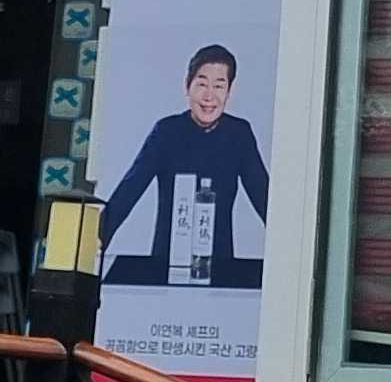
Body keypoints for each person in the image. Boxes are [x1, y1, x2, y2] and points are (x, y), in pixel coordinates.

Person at [98, 44, 272, 289]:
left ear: (229, 92)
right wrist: (98, 238)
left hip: (220, 265)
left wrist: (291, 247)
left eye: (219, 86)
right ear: (187, 87)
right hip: (165, 263)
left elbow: (263, 195)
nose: (209, 96)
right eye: (202, 84)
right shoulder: (166, 131)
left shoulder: (239, 133)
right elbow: (131, 187)